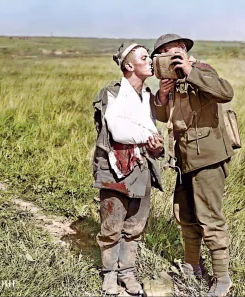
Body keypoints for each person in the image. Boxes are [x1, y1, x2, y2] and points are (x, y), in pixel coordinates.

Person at [151, 34, 235, 297]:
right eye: (162, 52)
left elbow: (225, 93)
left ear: (184, 50)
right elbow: (164, 116)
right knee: (185, 216)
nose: (169, 54)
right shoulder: (172, 83)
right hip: (183, 159)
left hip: (208, 157)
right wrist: (162, 96)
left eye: (173, 49)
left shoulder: (202, 70)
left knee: (209, 218)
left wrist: (190, 71)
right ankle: (192, 266)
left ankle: (222, 278)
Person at [92, 42, 165, 295]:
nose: (151, 62)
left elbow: (149, 135)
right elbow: (118, 130)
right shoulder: (111, 93)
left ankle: (127, 272)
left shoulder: (147, 97)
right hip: (114, 170)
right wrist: (148, 136)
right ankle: (109, 275)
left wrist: (155, 144)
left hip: (141, 169)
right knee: (112, 225)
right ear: (129, 65)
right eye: (145, 58)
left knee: (135, 225)